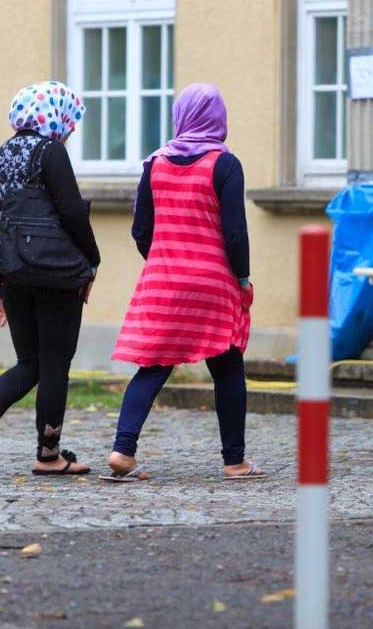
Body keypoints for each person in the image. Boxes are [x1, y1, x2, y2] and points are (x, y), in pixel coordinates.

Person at [103, 83, 263, 482]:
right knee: (227, 368)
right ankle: (234, 461)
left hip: (165, 281)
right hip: (213, 282)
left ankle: (123, 450)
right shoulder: (225, 165)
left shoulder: (154, 164)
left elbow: (141, 230)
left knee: (153, 365)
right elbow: (235, 233)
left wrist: (163, 261)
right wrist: (242, 278)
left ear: (181, 116)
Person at [0, 81, 99, 476]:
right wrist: (92, 260)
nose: (71, 130)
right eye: (70, 120)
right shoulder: (49, 152)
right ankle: (48, 454)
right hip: (56, 274)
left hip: (13, 273)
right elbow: (72, 213)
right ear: (55, 116)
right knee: (56, 363)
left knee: (30, 362)